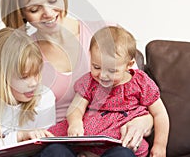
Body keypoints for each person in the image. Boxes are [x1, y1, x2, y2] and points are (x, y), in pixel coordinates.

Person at [0, 0, 154, 155]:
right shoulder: (21, 54)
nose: (48, 13)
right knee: (56, 152)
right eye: (34, 9)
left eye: (53, 0)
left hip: (110, 142)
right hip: (59, 144)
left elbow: (142, 94)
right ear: (21, 14)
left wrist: (144, 121)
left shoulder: (106, 32)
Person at [59, 26, 169, 157]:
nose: (103, 75)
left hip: (120, 147)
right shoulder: (90, 82)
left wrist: (159, 145)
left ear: (129, 65)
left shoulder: (140, 82)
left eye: (112, 70)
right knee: (55, 149)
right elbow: (76, 108)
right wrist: (75, 122)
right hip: (87, 146)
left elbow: (160, 114)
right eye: (97, 67)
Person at [0, 27, 71, 156]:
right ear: (0, 77)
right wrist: (18, 137)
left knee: (57, 150)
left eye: (36, 73)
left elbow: (46, 147)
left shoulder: (44, 98)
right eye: (24, 77)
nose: (33, 83)